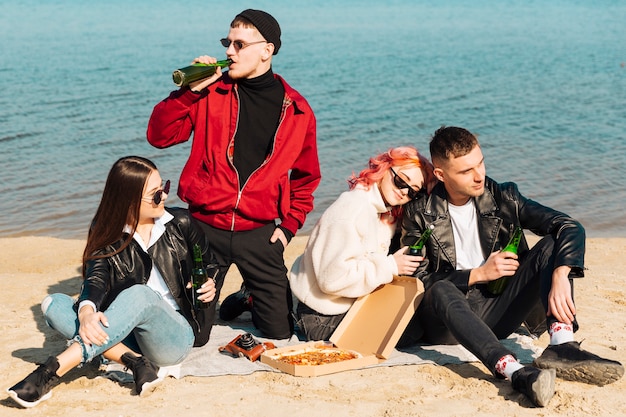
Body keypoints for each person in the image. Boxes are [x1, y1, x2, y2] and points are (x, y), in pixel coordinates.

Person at [401, 126, 624, 407]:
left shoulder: (503, 197)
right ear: (441, 175)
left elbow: (568, 226)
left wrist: (560, 273)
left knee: (553, 246)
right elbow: (418, 280)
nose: (479, 175)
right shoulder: (419, 213)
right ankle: (515, 372)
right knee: (442, 288)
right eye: (466, 170)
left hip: (497, 311)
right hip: (447, 323)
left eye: (480, 163)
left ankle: (561, 345)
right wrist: (478, 274)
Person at [147, 9, 320, 339]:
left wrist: (289, 227)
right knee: (194, 336)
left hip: (259, 231)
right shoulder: (210, 92)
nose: (229, 52)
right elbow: (160, 136)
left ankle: (249, 295)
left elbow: (306, 177)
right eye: (228, 42)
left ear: (266, 50)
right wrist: (190, 91)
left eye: (239, 44)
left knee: (279, 333)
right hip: (203, 229)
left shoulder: (297, 110)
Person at [6, 156, 219, 408]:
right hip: (127, 331)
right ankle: (136, 362)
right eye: (155, 194)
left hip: (173, 334)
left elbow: (210, 263)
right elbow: (96, 276)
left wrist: (210, 282)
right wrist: (86, 312)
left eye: (164, 188)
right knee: (54, 304)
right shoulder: (107, 231)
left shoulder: (181, 223)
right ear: (128, 200)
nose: (164, 197)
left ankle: (51, 370)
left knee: (140, 294)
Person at [290, 146, 435, 341]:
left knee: (416, 323)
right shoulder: (353, 208)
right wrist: (390, 265)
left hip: (345, 304)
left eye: (412, 193)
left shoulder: (383, 210)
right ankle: (256, 300)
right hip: (318, 314)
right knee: (411, 331)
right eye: (401, 181)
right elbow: (331, 279)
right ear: (385, 168)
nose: (403, 192)